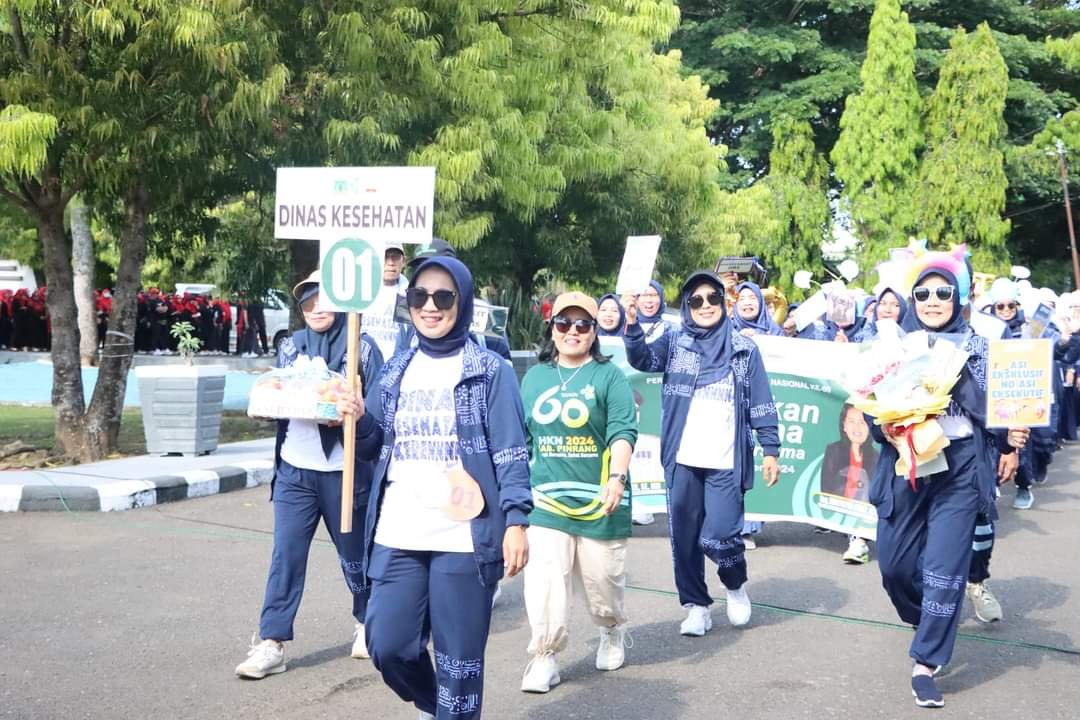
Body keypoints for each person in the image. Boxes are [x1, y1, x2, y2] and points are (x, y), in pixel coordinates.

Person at [360, 256, 532, 720]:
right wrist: (354, 418)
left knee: (459, 663)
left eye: (443, 297)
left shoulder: (489, 370)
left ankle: (455, 710)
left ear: (464, 301)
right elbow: (370, 444)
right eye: (419, 296)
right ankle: (439, 708)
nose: (430, 307)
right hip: (398, 530)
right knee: (388, 644)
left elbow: (511, 452)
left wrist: (516, 520)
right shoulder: (395, 369)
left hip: (464, 536)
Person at [872, 250, 1027, 708]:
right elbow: (868, 399)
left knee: (943, 569)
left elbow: (1004, 408)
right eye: (923, 293)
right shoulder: (895, 347)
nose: (932, 300)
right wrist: (881, 423)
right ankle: (931, 619)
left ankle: (926, 661)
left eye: (943, 292)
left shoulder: (982, 348)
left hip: (960, 468)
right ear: (911, 299)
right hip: (908, 464)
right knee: (895, 568)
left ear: (959, 297)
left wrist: (1012, 439)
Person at [235, 271, 385, 680]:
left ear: (342, 302)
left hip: (345, 470)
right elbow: (283, 398)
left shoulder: (364, 350)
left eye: (324, 299)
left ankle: (366, 621)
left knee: (355, 557)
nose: (316, 308)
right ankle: (272, 641)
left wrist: (355, 413)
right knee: (286, 555)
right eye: (307, 302)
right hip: (295, 471)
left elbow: (379, 416)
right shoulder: (291, 347)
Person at [623, 270, 781, 636]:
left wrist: (770, 448)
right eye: (696, 300)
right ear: (686, 307)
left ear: (724, 305)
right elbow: (642, 360)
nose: (705, 306)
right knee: (684, 538)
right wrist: (631, 324)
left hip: (726, 459)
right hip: (682, 459)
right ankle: (696, 605)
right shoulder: (676, 342)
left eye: (712, 299)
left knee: (721, 535)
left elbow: (761, 401)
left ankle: (735, 585)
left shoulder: (744, 348)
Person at [518, 292, 637, 693]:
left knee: (603, 583)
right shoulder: (535, 377)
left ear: (594, 331)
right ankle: (544, 656)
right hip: (546, 501)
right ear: (551, 329)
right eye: (564, 324)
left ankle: (611, 630)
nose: (573, 331)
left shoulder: (609, 376)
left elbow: (623, 430)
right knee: (545, 579)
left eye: (582, 324)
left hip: (599, 500)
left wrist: (617, 477)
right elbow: (521, 438)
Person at [819, 404, 879, 564]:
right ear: (844, 426)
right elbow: (825, 485)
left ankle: (859, 540)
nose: (857, 427)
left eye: (862, 422)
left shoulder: (876, 457)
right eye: (851, 421)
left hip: (863, 512)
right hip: (838, 505)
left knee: (864, 478)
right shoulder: (833, 450)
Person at [362, 241, 410, 361]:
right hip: (363, 365)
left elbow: (406, 339)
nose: (390, 263)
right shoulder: (361, 290)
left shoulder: (408, 294)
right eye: (384, 257)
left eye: (395, 257)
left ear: (403, 261)